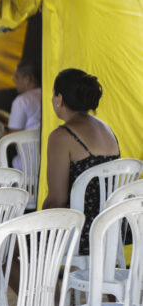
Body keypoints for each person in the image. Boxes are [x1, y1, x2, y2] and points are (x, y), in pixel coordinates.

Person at [42, 68, 120, 255]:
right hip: (113, 228)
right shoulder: (106, 129)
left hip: (78, 231)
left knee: (9, 250)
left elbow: (57, 200)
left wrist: (38, 221)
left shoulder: (62, 136)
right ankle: (67, 284)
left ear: (59, 99)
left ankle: (58, 286)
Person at [8, 60, 42, 132]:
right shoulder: (50, 96)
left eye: (16, 77)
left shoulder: (22, 100)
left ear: (27, 79)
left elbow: (13, 135)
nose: (14, 81)